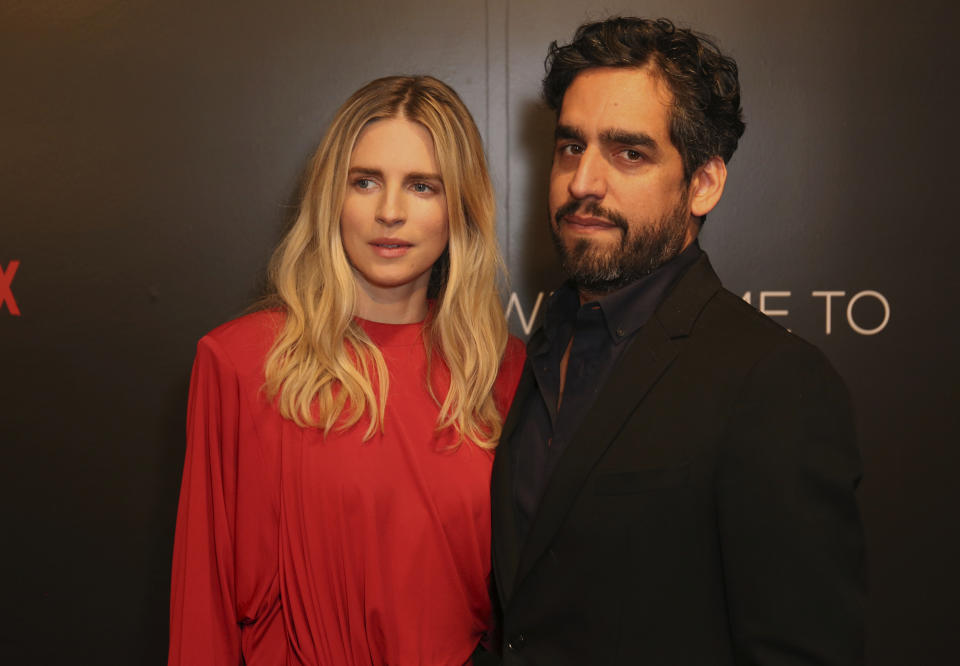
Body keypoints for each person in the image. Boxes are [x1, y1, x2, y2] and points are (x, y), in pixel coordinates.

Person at [490, 17, 865, 665]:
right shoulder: (531, 352)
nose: (583, 182)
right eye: (570, 147)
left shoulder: (773, 383)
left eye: (629, 152)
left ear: (704, 184)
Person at [169, 75, 525, 666]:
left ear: (460, 205)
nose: (390, 212)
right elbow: (202, 607)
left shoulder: (502, 370)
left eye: (422, 186)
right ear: (331, 196)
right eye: (365, 181)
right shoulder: (241, 363)